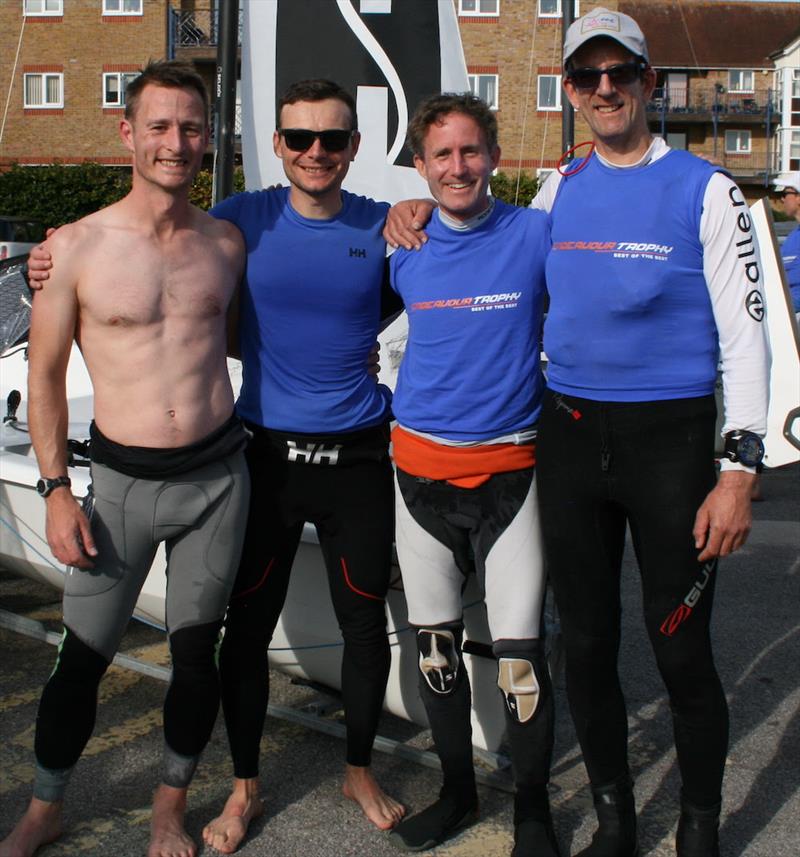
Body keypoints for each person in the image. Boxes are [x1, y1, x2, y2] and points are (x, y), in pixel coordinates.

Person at [530, 9, 768, 857]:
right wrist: (410, 214)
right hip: (569, 440)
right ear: (569, 91)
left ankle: (699, 827)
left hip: (669, 446)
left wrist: (739, 470)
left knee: (680, 652)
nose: (605, 89)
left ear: (649, 84)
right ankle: (616, 821)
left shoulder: (709, 189)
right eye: (588, 77)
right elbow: (503, 276)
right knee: (587, 649)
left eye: (620, 73)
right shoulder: (556, 187)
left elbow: (747, 336)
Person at [0, 60, 250, 857]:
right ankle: (45, 806)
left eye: (189, 127)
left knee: (195, 660)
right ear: (127, 134)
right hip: (120, 486)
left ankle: (169, 810)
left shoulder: (227, 241)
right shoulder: (73, 248)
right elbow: (41, 377)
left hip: (217, 480)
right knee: (82, 659)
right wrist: (53, 490)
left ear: (207, 136)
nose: (175, 142)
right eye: (159, 127)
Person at [200, 79, 406, 852]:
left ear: (354, 148)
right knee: (245, 627)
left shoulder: (385, 225)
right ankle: (245, 783)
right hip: (267, 454)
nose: (315, 151)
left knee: (363, 623)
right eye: (299, 138)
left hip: (357, 455)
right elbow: (150, 240)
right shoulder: (239, 217)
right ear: (277, 144)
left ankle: (359, 767)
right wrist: (54, 252)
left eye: (332, 139)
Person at [387, 93, 558, 856]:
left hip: (512, 473)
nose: (457, 167)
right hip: (419, 472)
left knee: (520, 658)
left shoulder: (536, 234)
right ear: (419, 166)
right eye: (441, 155)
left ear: (493, 156)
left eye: (470, 151)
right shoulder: (401, 243)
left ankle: (533, 811)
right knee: (437, 648)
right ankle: (456, 791)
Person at [775, 172, 800, 313]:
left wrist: (780, 309)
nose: (782, 200)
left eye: (785, 194)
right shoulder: (792, 237)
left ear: (798, 197)